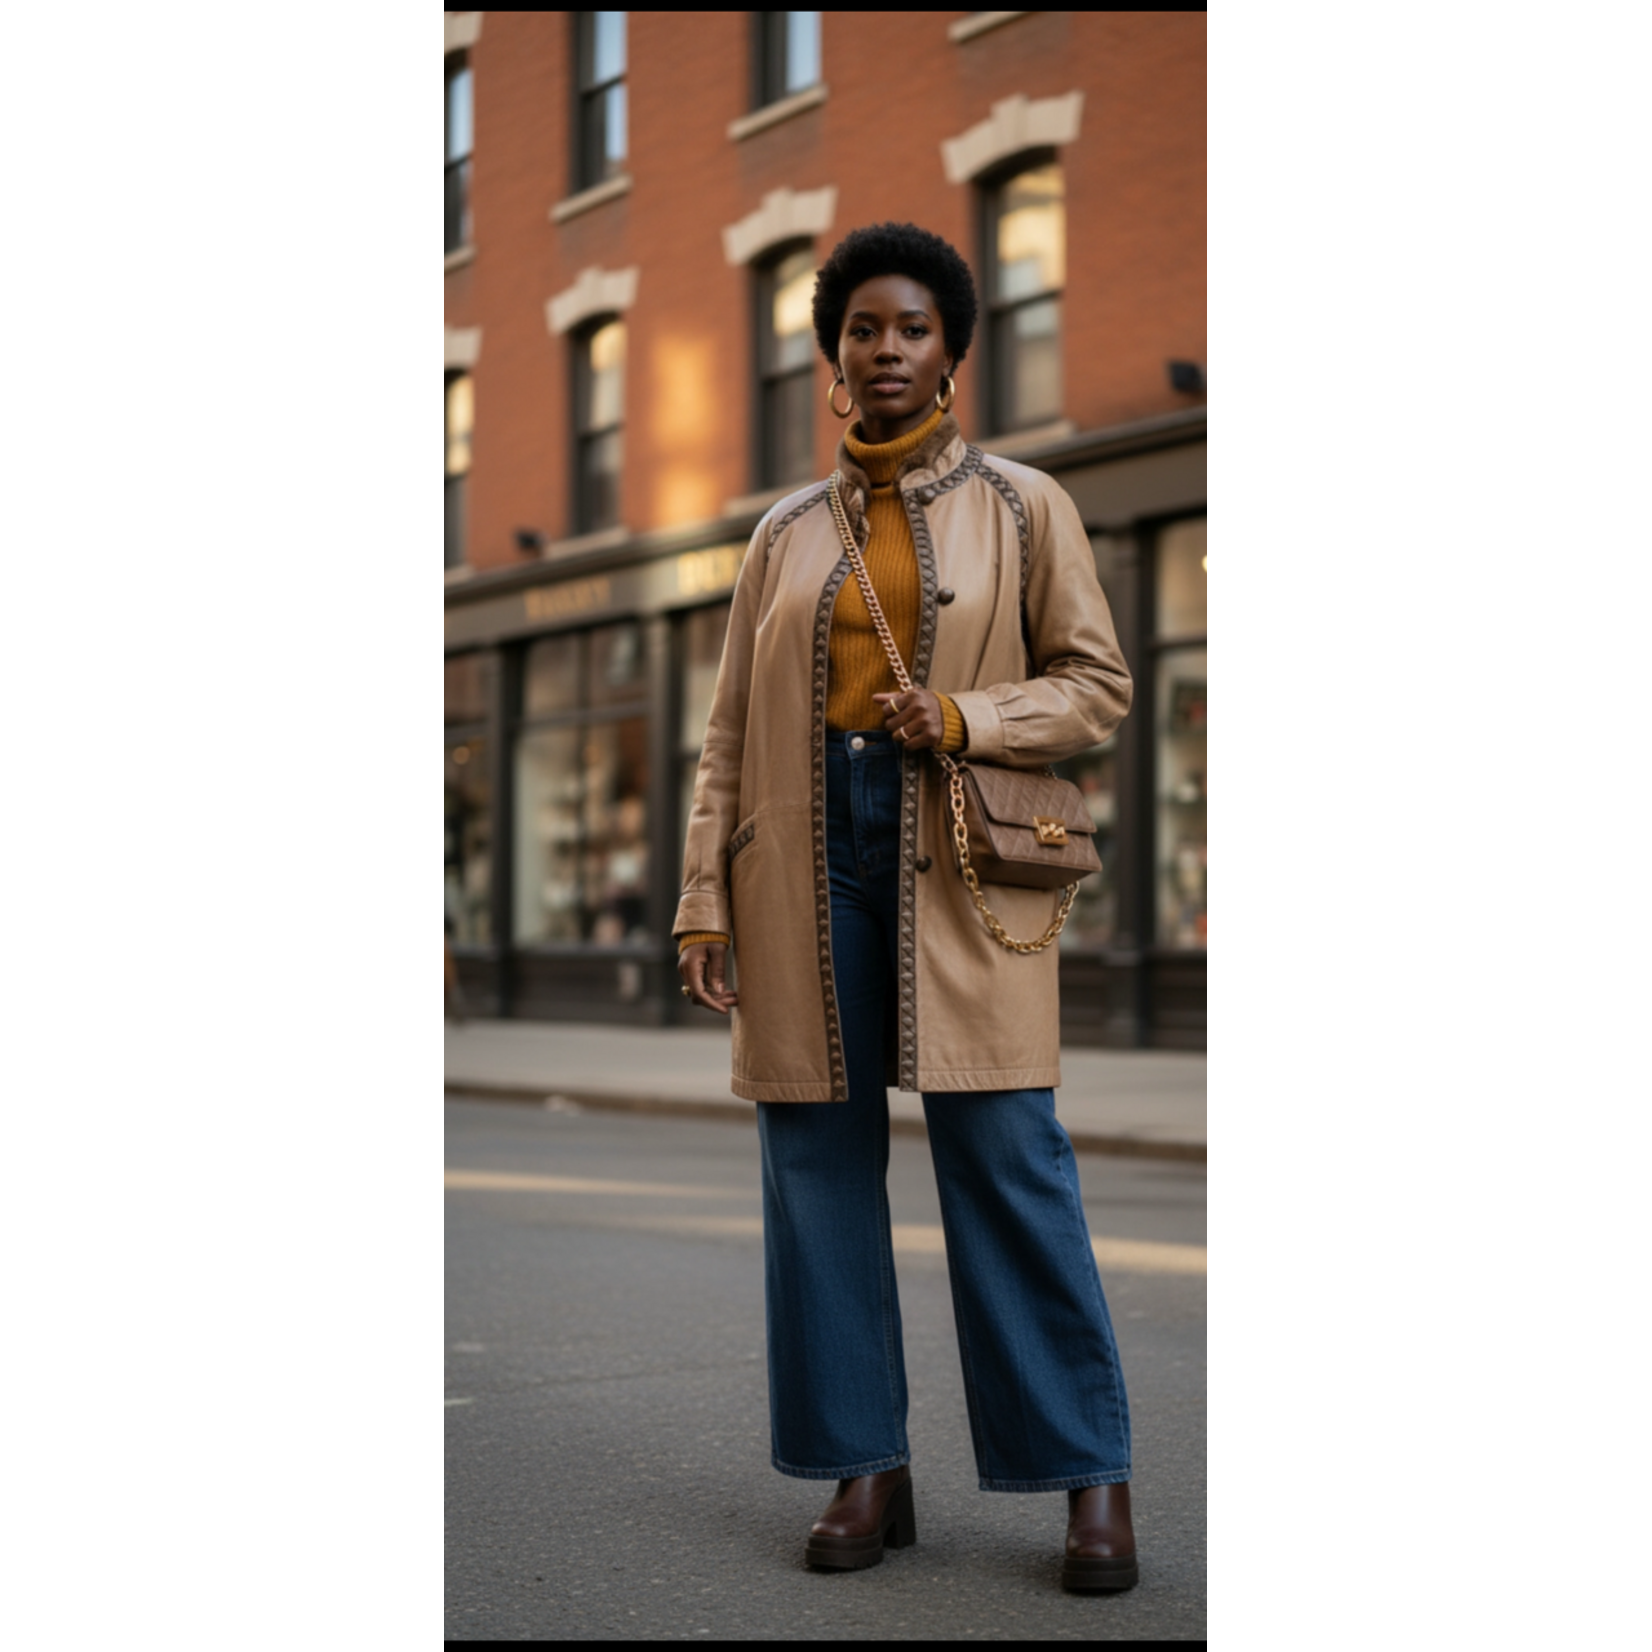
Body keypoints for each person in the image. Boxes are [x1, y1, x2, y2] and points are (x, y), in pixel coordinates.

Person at [675, 223, 1137, 1592]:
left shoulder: (1025, 505)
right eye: (864, 328)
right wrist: (705, 900)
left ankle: (1086, 1476)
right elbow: (719, 740)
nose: (887, 349)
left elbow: (1097, 686)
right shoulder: (781, 534)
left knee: (1008, 1159)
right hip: (803, 853)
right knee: (816, 1169)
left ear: (952, 351)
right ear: (835, 354)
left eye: (914, 328)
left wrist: (966, 713)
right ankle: (863, 1463)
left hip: (963, 851)